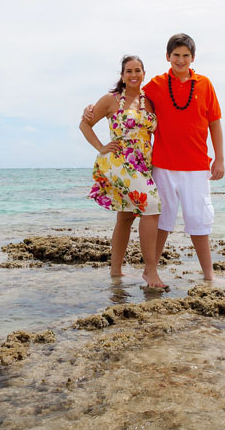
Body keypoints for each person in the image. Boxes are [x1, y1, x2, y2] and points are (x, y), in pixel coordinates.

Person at [86, 33, 224, 281]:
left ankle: (206, 276)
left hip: (169, 165)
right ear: (168, 57)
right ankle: (150, 270)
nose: (180, 60)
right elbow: (96, 115)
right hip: (140, 165)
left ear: (192, 58)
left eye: (185, 56)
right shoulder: (138, 92)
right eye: (176, 55)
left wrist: (219, 158)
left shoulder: (185, 88)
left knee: (137, 216)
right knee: (152, 213)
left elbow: (213, 121)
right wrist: (96, 133)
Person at [80, 55, 166, 288]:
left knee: (126, 215)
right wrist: (101, 147)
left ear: (144, 73)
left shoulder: (150, 101)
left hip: (144, 164)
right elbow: (84, 124)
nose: (134, 75)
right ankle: (151, 272)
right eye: (129, 71)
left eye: (138, 70)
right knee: (151, 206)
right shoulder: (111, 100)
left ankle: (115, 271)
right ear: (122, 75)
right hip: (120, 163)